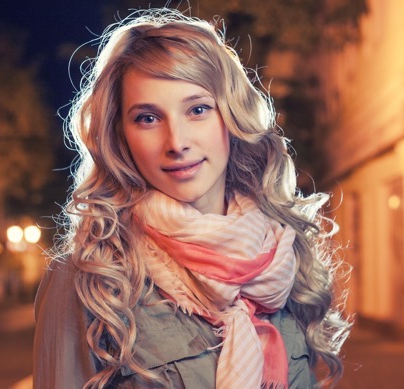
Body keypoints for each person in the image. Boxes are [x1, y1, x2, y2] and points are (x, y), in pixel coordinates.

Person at [33, 8, 350, 389]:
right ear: (121, 135)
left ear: (230, 116)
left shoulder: (283, 257)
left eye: (197, 110)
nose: (177, 142)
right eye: (147, 118)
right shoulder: (90, 277)